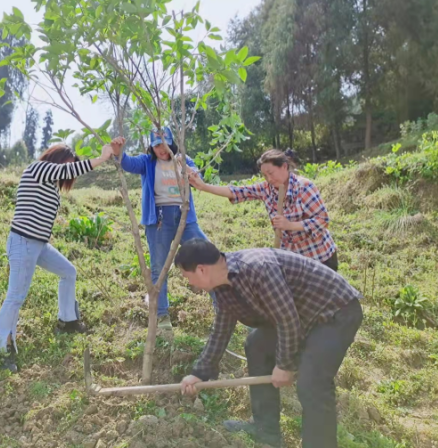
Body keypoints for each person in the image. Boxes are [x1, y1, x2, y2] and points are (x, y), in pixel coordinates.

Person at [177, 239, 362, 448]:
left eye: (187, 277)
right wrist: (199, 373)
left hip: (334, 312)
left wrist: (284, 365)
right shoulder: (223, 288)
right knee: (256, 345)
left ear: (201, 270)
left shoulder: (258, 269)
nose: (190, 285)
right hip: (301, 317)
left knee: (312, 382)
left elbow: (287, 320)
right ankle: (266, 431)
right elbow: (221, 331)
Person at [0, 142, 115, 373]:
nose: (68, 171)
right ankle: (3, 347)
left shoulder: (51, 186)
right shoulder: (37, 169)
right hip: (22, 241)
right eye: (66, 165)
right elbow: (64, 172)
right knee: (16, 296)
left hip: (38, 245)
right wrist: (101, 159)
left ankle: (67, 320)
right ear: (55, 159)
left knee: (68, 272)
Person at [110, 128, 213, 333]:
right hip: (158, 220)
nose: (161, 150)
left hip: (184, 217)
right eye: (157, 146)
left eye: (164, 145)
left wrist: (187, 170)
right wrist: (118, 151)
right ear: (152, 146)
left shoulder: (183, 159)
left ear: (171, 143)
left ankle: (222, 303)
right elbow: (127, 163)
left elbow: (195, 177)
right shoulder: (147, 162)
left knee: (209, 255)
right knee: (159, 267)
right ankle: (162, 315)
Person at [188, 148, 339, 271]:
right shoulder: (266, 189)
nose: (268, 179)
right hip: (294, 261)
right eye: (264, 175)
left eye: (271, 173)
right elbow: (237, 191)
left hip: (319, 258)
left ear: (284, 167)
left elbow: (322, 220)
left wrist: (290, 225)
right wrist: (203, 186)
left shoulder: (304, 187)